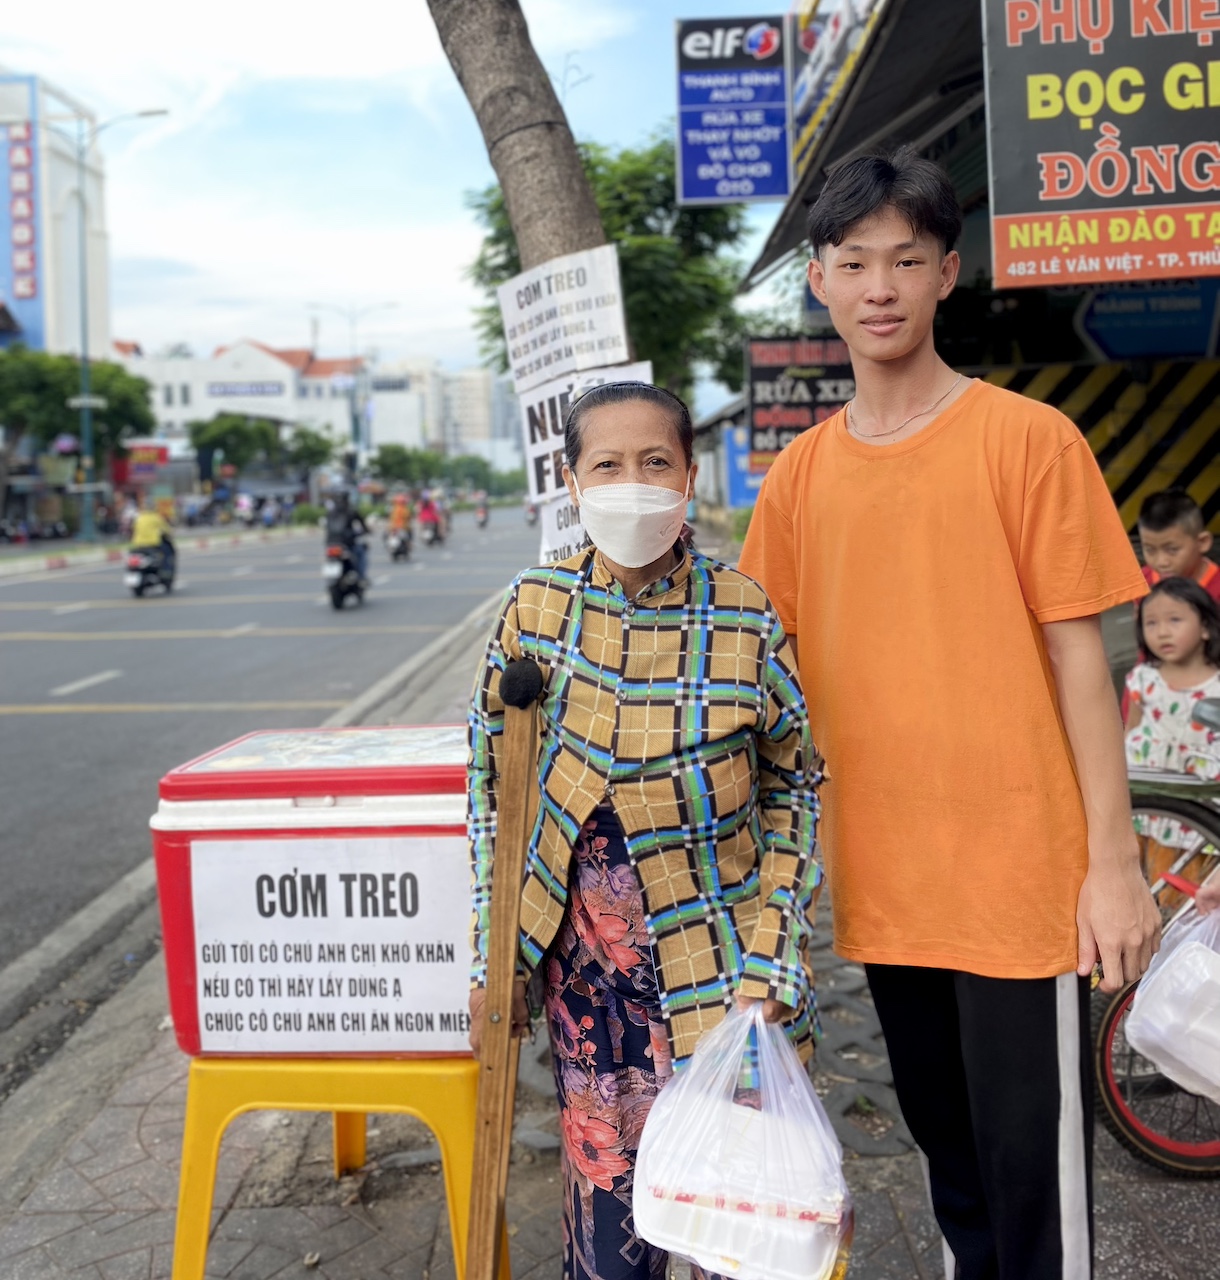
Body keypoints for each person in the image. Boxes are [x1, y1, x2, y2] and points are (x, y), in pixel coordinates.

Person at [737, 147, 1159, 1280]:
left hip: (1020, 873)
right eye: (853, 261)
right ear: (818, 280)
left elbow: (1082, 657)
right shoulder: (795, 482)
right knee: (950, 1160)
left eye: (905, 260)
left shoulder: (1026, 440)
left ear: (945, 275)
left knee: (1034, 1184)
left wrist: (1109, 861)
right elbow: (757, 681)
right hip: (884, 877)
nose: (879, 285)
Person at [467, 382, 822, 1280]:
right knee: (611, 1243)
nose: (633, 482)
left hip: (728, 987)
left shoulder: (742, 615)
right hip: (587, 1000)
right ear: (570, 479)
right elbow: (489, 790)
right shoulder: (533, 611)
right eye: (608, 465)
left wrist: (774, 954)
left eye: (655, 461)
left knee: (729, 1238)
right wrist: (493, 959)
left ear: (689, 475)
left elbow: (797, 785)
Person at [1125, 577, 1220, 776]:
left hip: (1204, 789)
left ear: (1205, 627)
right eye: (1151, 623)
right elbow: (1132, 728)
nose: (1162, 632)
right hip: (1150, 785)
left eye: (1174, 620)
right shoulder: (1143, 678)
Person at [1137, 488, 1220, 603]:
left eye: (1172, 550)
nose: (1161, 562)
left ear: (1202, 542)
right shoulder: (1143, 582)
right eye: (1150, 550)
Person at [324, 492, 369, 583]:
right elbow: (363, 525)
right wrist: (366, 531)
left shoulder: (330, 513)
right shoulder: (351, 511)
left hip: (330, 543)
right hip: (347, 543)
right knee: (361, 553)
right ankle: (361, 577)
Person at [129, 498, 175, 575]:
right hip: (152, 544)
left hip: (138, 545)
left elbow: (132, 529)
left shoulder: (139, 517)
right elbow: (167, 530)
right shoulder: (156, 518)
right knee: (167, 553)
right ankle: (166, 572)